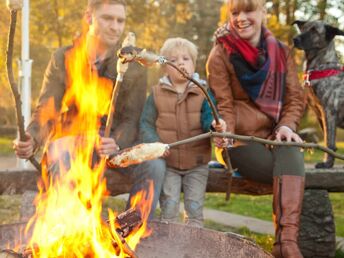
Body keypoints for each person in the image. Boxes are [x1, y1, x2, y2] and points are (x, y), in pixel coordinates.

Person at [13, 0, 165, 220]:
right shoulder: (63, 58)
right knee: (62, 155)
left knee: (154, 166)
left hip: (112, 146)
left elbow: (132, 118)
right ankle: (70, 234)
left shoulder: (134, 64)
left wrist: (117, 141)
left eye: (120, 20)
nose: (115, 26)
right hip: (72, 142)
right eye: (107, 18)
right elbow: (47, 110)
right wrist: (32, 139)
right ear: (89, 18)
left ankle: (132, 235)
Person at [207, 0, 305, 257]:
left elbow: (295, 98)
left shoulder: (281, 51)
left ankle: (286, 243)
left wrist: (286, 125)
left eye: (248, 10)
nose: (241, 18)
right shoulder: (220, 54)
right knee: (288, 170)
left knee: (292, 149)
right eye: (235, 12)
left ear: (263, 12)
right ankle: (287, 246)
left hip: (275, 137)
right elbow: (224, 104)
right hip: (238, 141)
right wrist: (224, 129)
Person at [140, 37, 224, 227]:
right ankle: (170, 245)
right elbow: (146, 123)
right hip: (169, 163)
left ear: (193, 64)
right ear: (165, 67)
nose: (180, 63)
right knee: (169, 208)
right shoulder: (156, 93)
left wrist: (214, 126)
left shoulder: (202, 91)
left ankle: (192, 247)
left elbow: (208, 117)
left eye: (186, 59)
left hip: (197, 163)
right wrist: (155, 144)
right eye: (174, 60)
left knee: (194, 209)